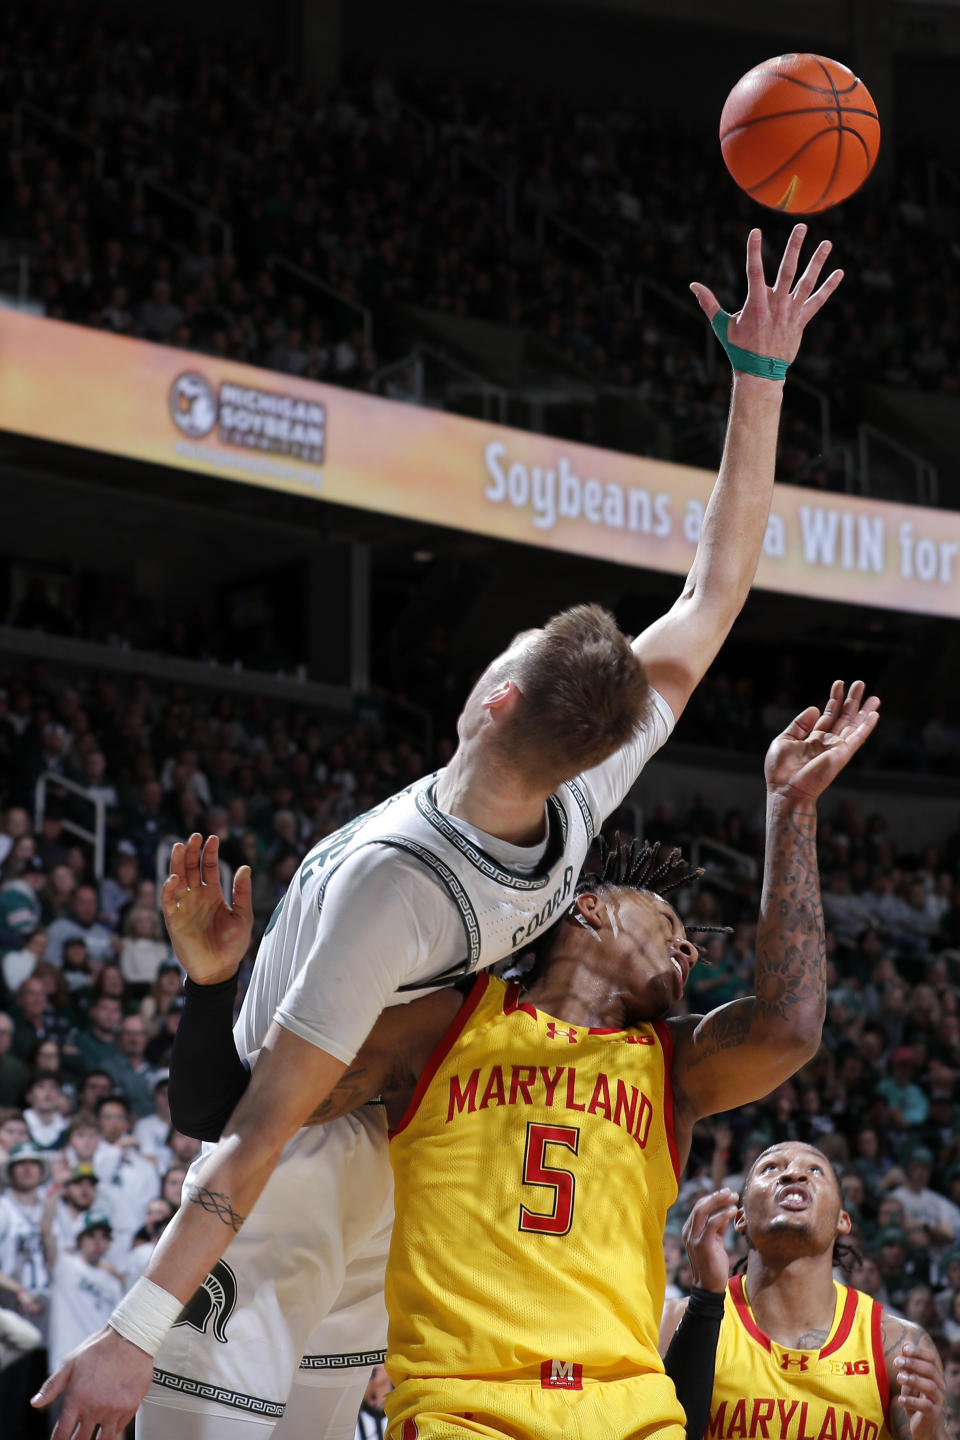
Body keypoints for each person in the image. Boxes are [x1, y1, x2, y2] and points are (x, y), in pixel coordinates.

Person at [36, 222, 847, 1439]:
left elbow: (253, 1131)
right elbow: (714, 591)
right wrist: (762, 379)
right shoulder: (581, 800)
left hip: (313, 1159)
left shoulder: (391, 888)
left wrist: (130, 1331)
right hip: (390, 1164)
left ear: (497, 694)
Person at [166, 687, 873, 1440]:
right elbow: (224, 1114)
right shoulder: (448, 1023)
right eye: (666, 921)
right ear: (589, 908)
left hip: (630, 1411)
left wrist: (791, 807)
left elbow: (792, 1027)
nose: (690, 949)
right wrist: (211, 989)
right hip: (468, 1409)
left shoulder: (671, 1063)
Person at [660, 1145, 948, 1440]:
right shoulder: (674, 1323)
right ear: (740, 1217)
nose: (793, 1173)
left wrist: (930, 1434)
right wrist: (705, 1299)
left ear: (843, 1219)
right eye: (771, 1168)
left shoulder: (899, 1348)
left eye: (814, 1170)